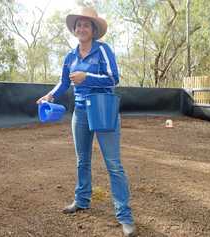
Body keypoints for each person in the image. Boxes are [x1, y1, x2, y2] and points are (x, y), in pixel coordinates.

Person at [37, 7, 136, 237]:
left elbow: (114, 78)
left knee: (113, 164)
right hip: (80, 112)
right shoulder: (70, 57)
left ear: (93, 30)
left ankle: (125, 216)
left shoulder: (103, 50)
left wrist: (87, 77)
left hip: (102, 108)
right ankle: (81, 200)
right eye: (78, 25)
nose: (82, 28)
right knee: (82, 160)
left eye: (86, 25)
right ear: (74, 30)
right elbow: (63, 83)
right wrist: (49, 95)